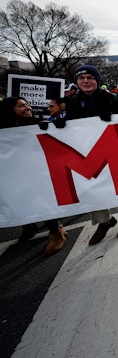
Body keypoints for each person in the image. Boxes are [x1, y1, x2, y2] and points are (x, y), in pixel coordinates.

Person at [64, 64, 118, 245]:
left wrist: (115, 117)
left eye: (90, 77)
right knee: (92, 187)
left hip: (113, 150)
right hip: (86, 152)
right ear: (77, 82)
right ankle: (104, 222)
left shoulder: (114, 99)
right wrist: (58, 125)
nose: (86, 81)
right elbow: (67, 127)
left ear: (97, 80)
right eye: (82, 78)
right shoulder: (71, 102)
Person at [0, 97, 68, 255]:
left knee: (42, 199)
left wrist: (54, 127)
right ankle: (29, 226)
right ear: (10, 110)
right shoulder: (3, 129)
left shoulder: (38, 124)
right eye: (21, 106)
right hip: (15, 173)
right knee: (21, 198)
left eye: (27, 104)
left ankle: (56, 232)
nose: (28, 108)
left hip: (38, 171)